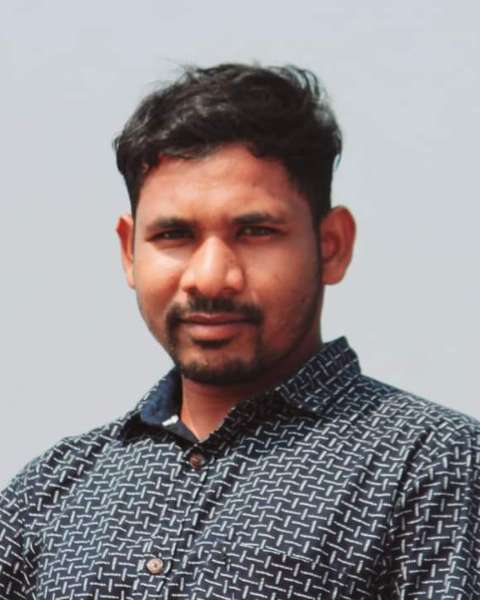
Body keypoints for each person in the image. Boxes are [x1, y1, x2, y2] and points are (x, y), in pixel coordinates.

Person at [1, 63, 479, 600]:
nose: (210, 277)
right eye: (174, 235)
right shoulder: (51, 491)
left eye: (255, 231)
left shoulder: (430, 463)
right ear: (129, 251)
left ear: (331, 246)